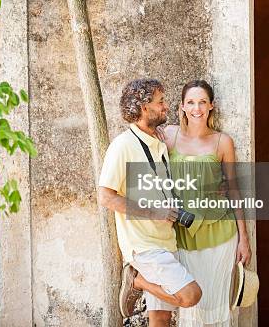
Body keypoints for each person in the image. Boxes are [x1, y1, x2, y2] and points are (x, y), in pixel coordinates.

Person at [98, 78, 202, 327]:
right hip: (144, 245)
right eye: (161, 101)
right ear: (145, 107)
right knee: (190, 296)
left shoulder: (158, 143)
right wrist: (154, 212)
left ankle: (140, 280)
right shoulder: (122, 146)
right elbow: (105, 196)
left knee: (161, 318)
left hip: (165, 240)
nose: (166, 106)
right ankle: (136, 280)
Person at [158, 80, 251, 327]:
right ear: (182, 106)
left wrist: (244, 239)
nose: (196, 108)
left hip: (220, 234)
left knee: (218, 306)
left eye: (202, 102)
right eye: (190, 102)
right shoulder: (169, 135)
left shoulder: (223, 142)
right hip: (183, 233)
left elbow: (233, 189)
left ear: (211, 106)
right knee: (192, 308)